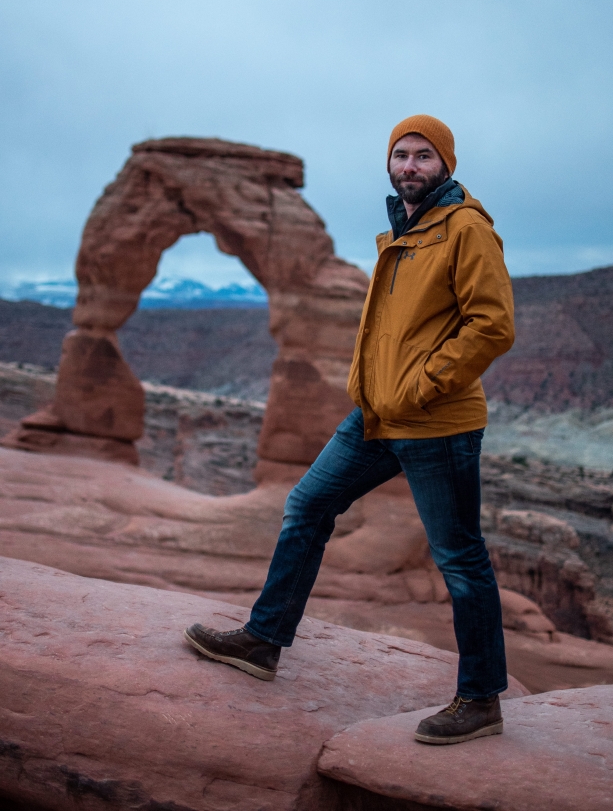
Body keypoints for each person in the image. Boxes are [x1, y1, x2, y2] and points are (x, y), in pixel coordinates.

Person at [184, 114, 515, 745]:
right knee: (307, 506)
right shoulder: (407, 228)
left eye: (422, 156)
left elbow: (493, 325)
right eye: (401, 155)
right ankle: (263, 640)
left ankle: (480, 700)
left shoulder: (466, 230)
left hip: (434, 422)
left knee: (460, 560)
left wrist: (422, 385)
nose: (410, 167)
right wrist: (380, 391)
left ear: (445, 163)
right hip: (376, 416)